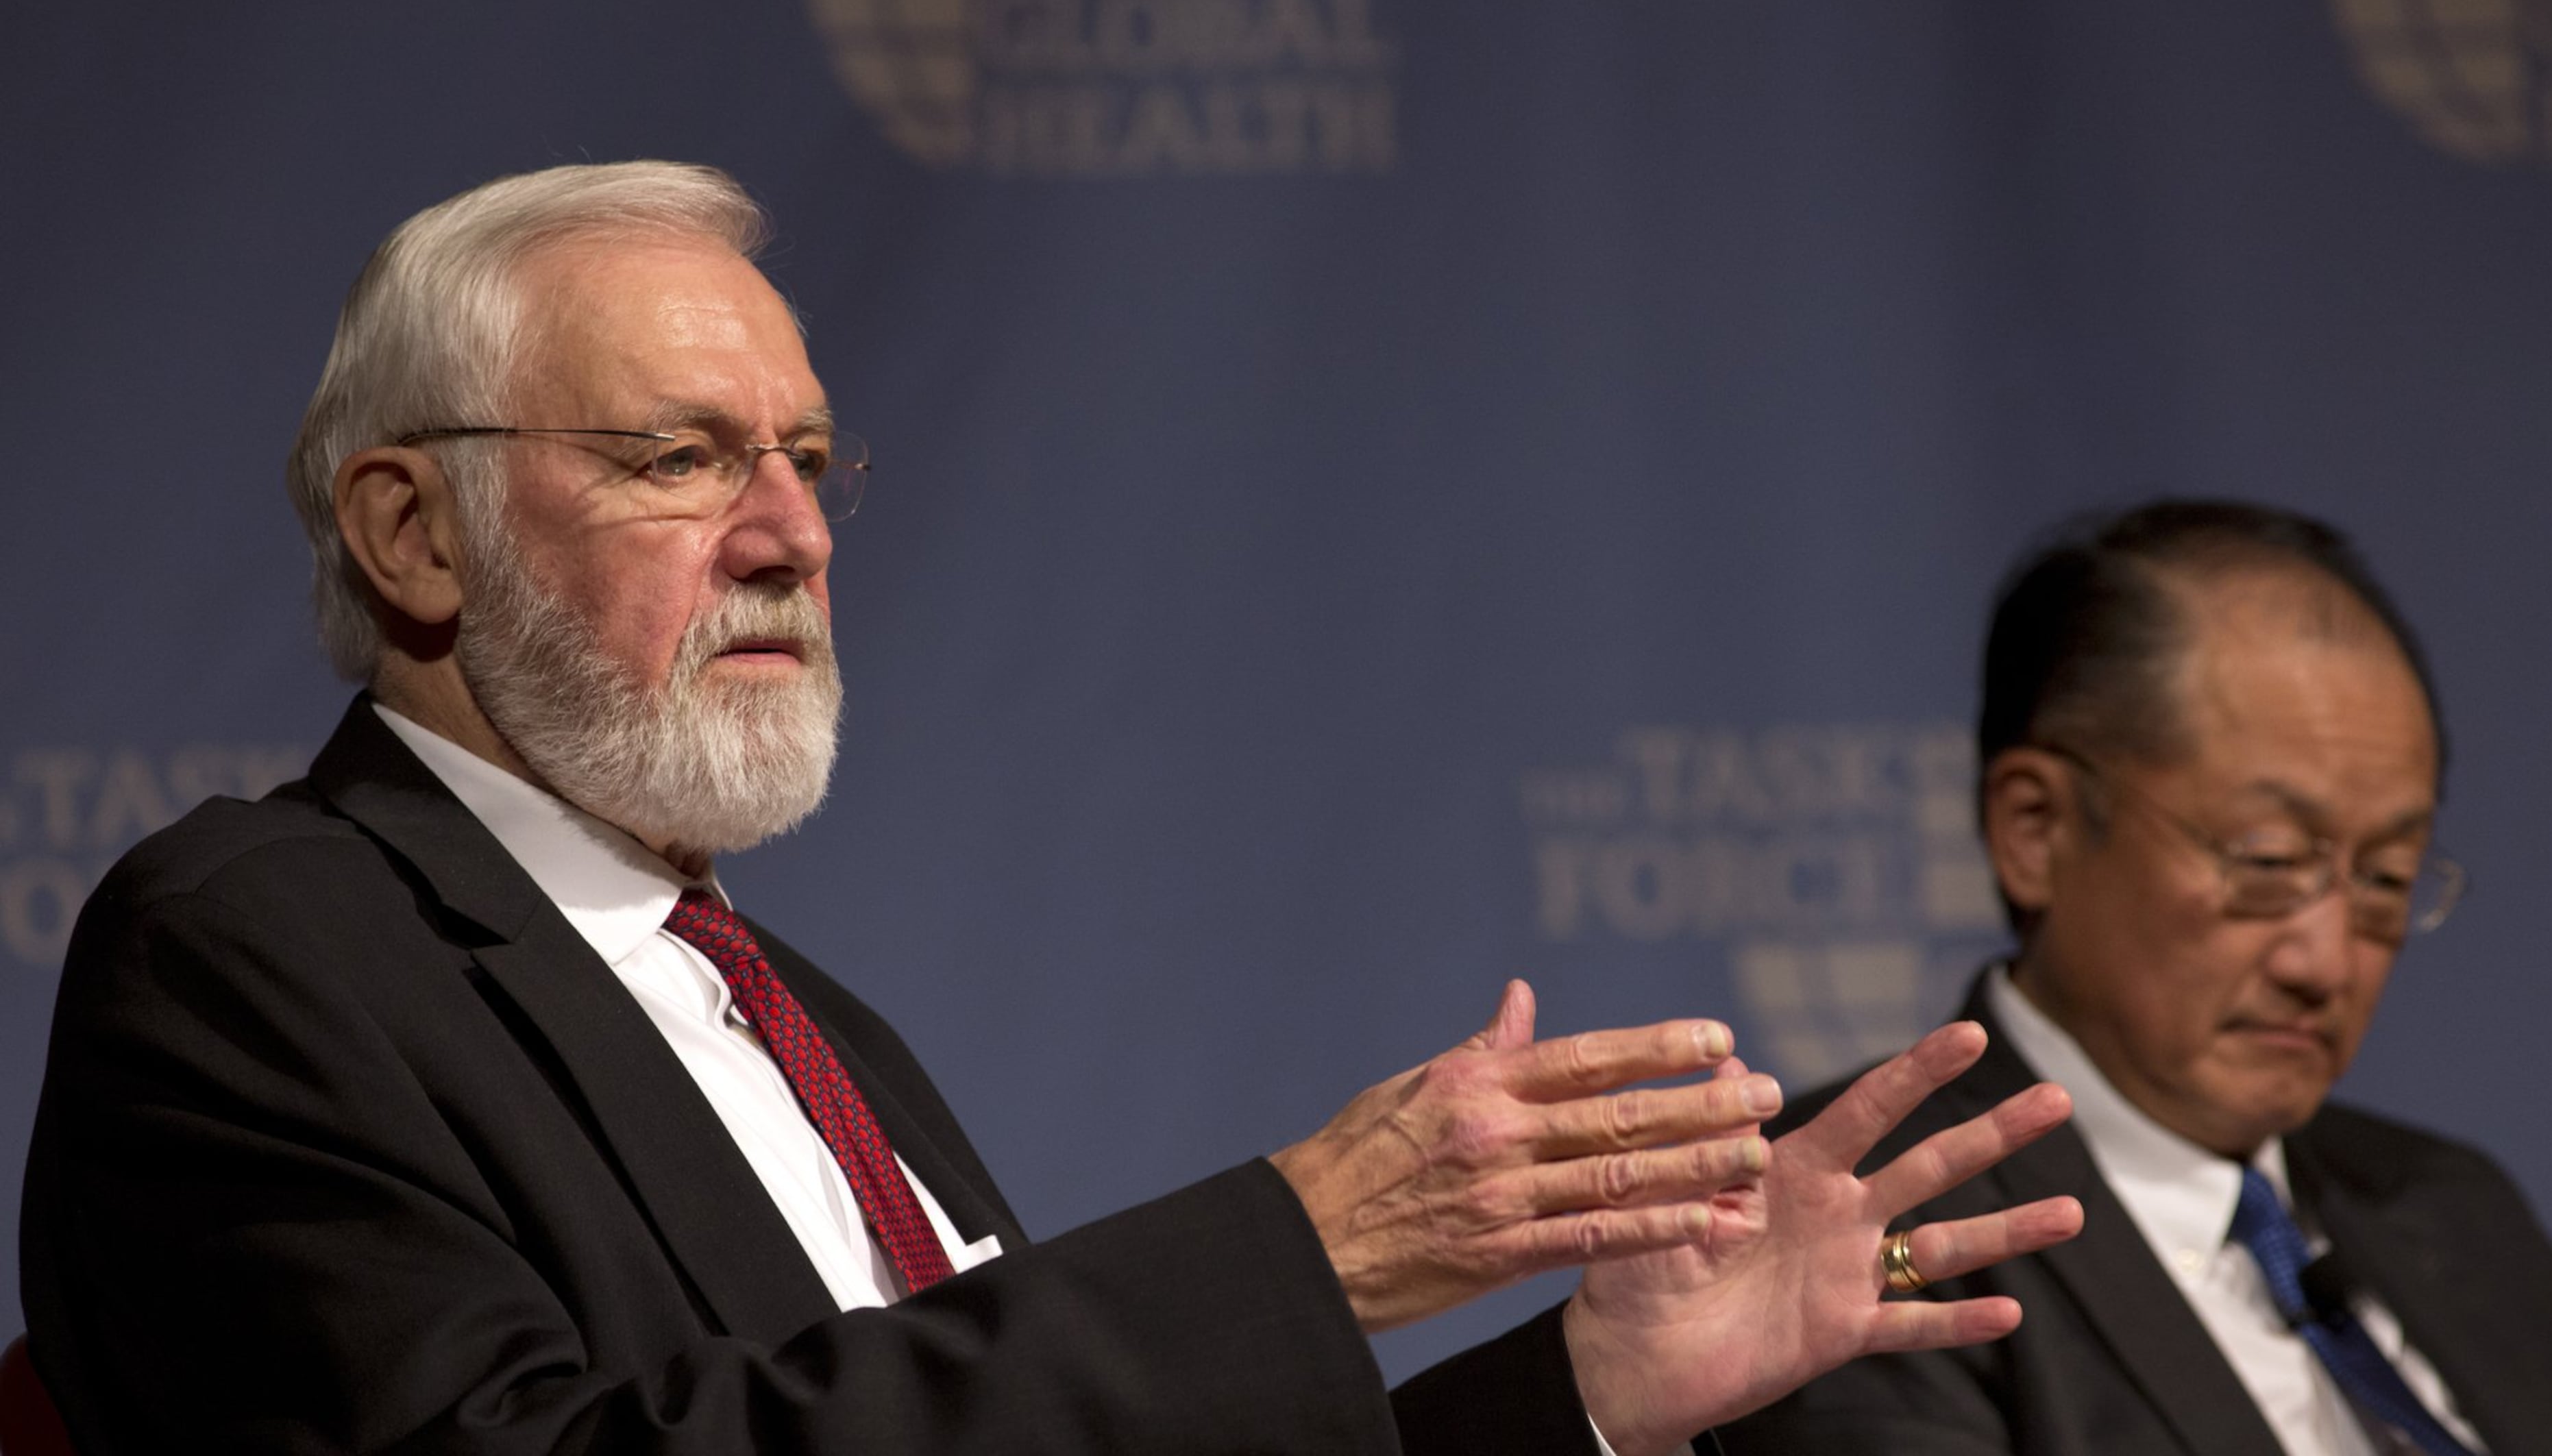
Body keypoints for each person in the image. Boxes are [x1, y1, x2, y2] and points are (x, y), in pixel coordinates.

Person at [17, 161, 2083, 1455]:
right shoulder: (267, 939)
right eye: (677, 457)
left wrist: (1591, 1397)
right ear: (415, 527)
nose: (790, 535)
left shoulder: (793, 1014)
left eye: (814, 461)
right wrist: (1300, 1255)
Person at [1724, 501, 2552, 1455]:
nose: (2324, 963)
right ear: (2037, 830)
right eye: (2268, 861)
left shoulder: (2448, 1208)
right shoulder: (1846, 1227)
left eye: (2386, 879)